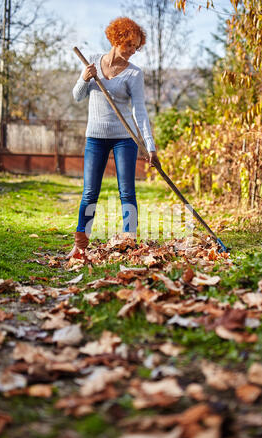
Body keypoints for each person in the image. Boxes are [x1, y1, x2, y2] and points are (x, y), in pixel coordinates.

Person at [66, 16, 161, 259]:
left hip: (124, 139)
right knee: (89, 193)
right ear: (116, 39)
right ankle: (80, 245)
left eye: (136, 46)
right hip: (95, 138)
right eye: (128, 44)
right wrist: (84, 78)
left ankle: (129, 243)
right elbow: (77, 96)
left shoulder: (134, 74)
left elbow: (139, 111)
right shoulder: (93, 62)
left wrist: (150, 146)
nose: (132, 50)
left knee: (127, 192)